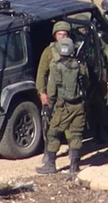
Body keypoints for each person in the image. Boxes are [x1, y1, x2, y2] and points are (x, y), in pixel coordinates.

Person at [37, 21, 90, 175]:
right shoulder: (51, 52)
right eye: (60, 34)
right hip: (76, 103)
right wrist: (41, 92)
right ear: (55, 36)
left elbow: (53, 84)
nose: (62, 36)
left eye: (65, 34)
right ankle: (72, 166)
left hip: (62, 103)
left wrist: (51, 101)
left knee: (54, 132)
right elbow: (42, 73)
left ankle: (52, 165)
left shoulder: (69, 58)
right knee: (75, 134)